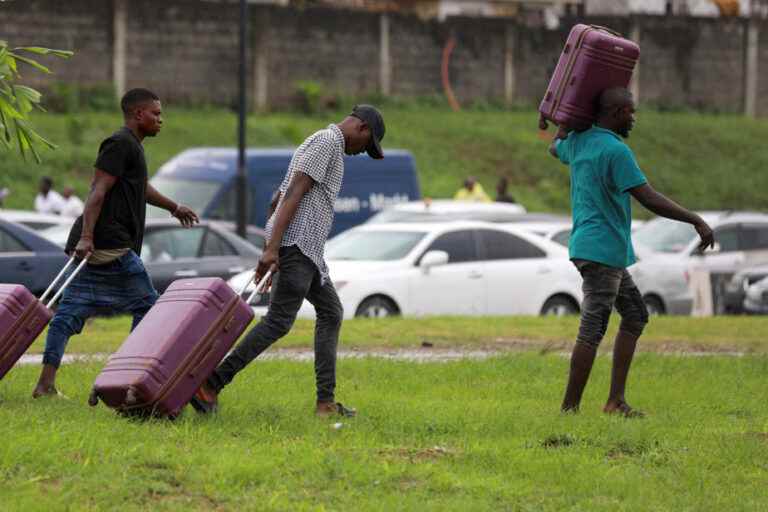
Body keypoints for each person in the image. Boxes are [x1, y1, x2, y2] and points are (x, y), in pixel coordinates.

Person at [190, 104, 386, 418]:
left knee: (331, 312)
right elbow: (293, 192)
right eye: (368, 145)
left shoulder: (325, 144)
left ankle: (325, 403)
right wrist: (273, 250)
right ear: (362, 128)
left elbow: (275, 199)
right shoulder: (326, 143)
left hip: (306, 253)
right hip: (297, 246)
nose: (362, 152)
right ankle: (210, 384)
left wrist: (272, 248)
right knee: (279, 321)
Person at [549, 87, 714, 417]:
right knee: (592, 330)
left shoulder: (580, 142)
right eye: (629, 112)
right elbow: (648, 198)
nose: (633, 118)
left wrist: (562, 122)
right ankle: (569, 412)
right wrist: (695, 220)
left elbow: (556, 148)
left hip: (591, 247)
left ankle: (615, 401)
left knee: (636, 315)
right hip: (602, 251)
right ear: (612, 113)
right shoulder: (615, 151)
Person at [32, 88, 199, 398]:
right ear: (138, 114)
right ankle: (120, 381)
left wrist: (174, 208)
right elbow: (97, 190)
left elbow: (140, 188)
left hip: (98, 246)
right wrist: (86, 236)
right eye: (156, 114)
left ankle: (45, 385)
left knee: (68, 314)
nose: (161, 120)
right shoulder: (119, 143)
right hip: (110, 245)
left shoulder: (131, 147)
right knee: (149, 308)